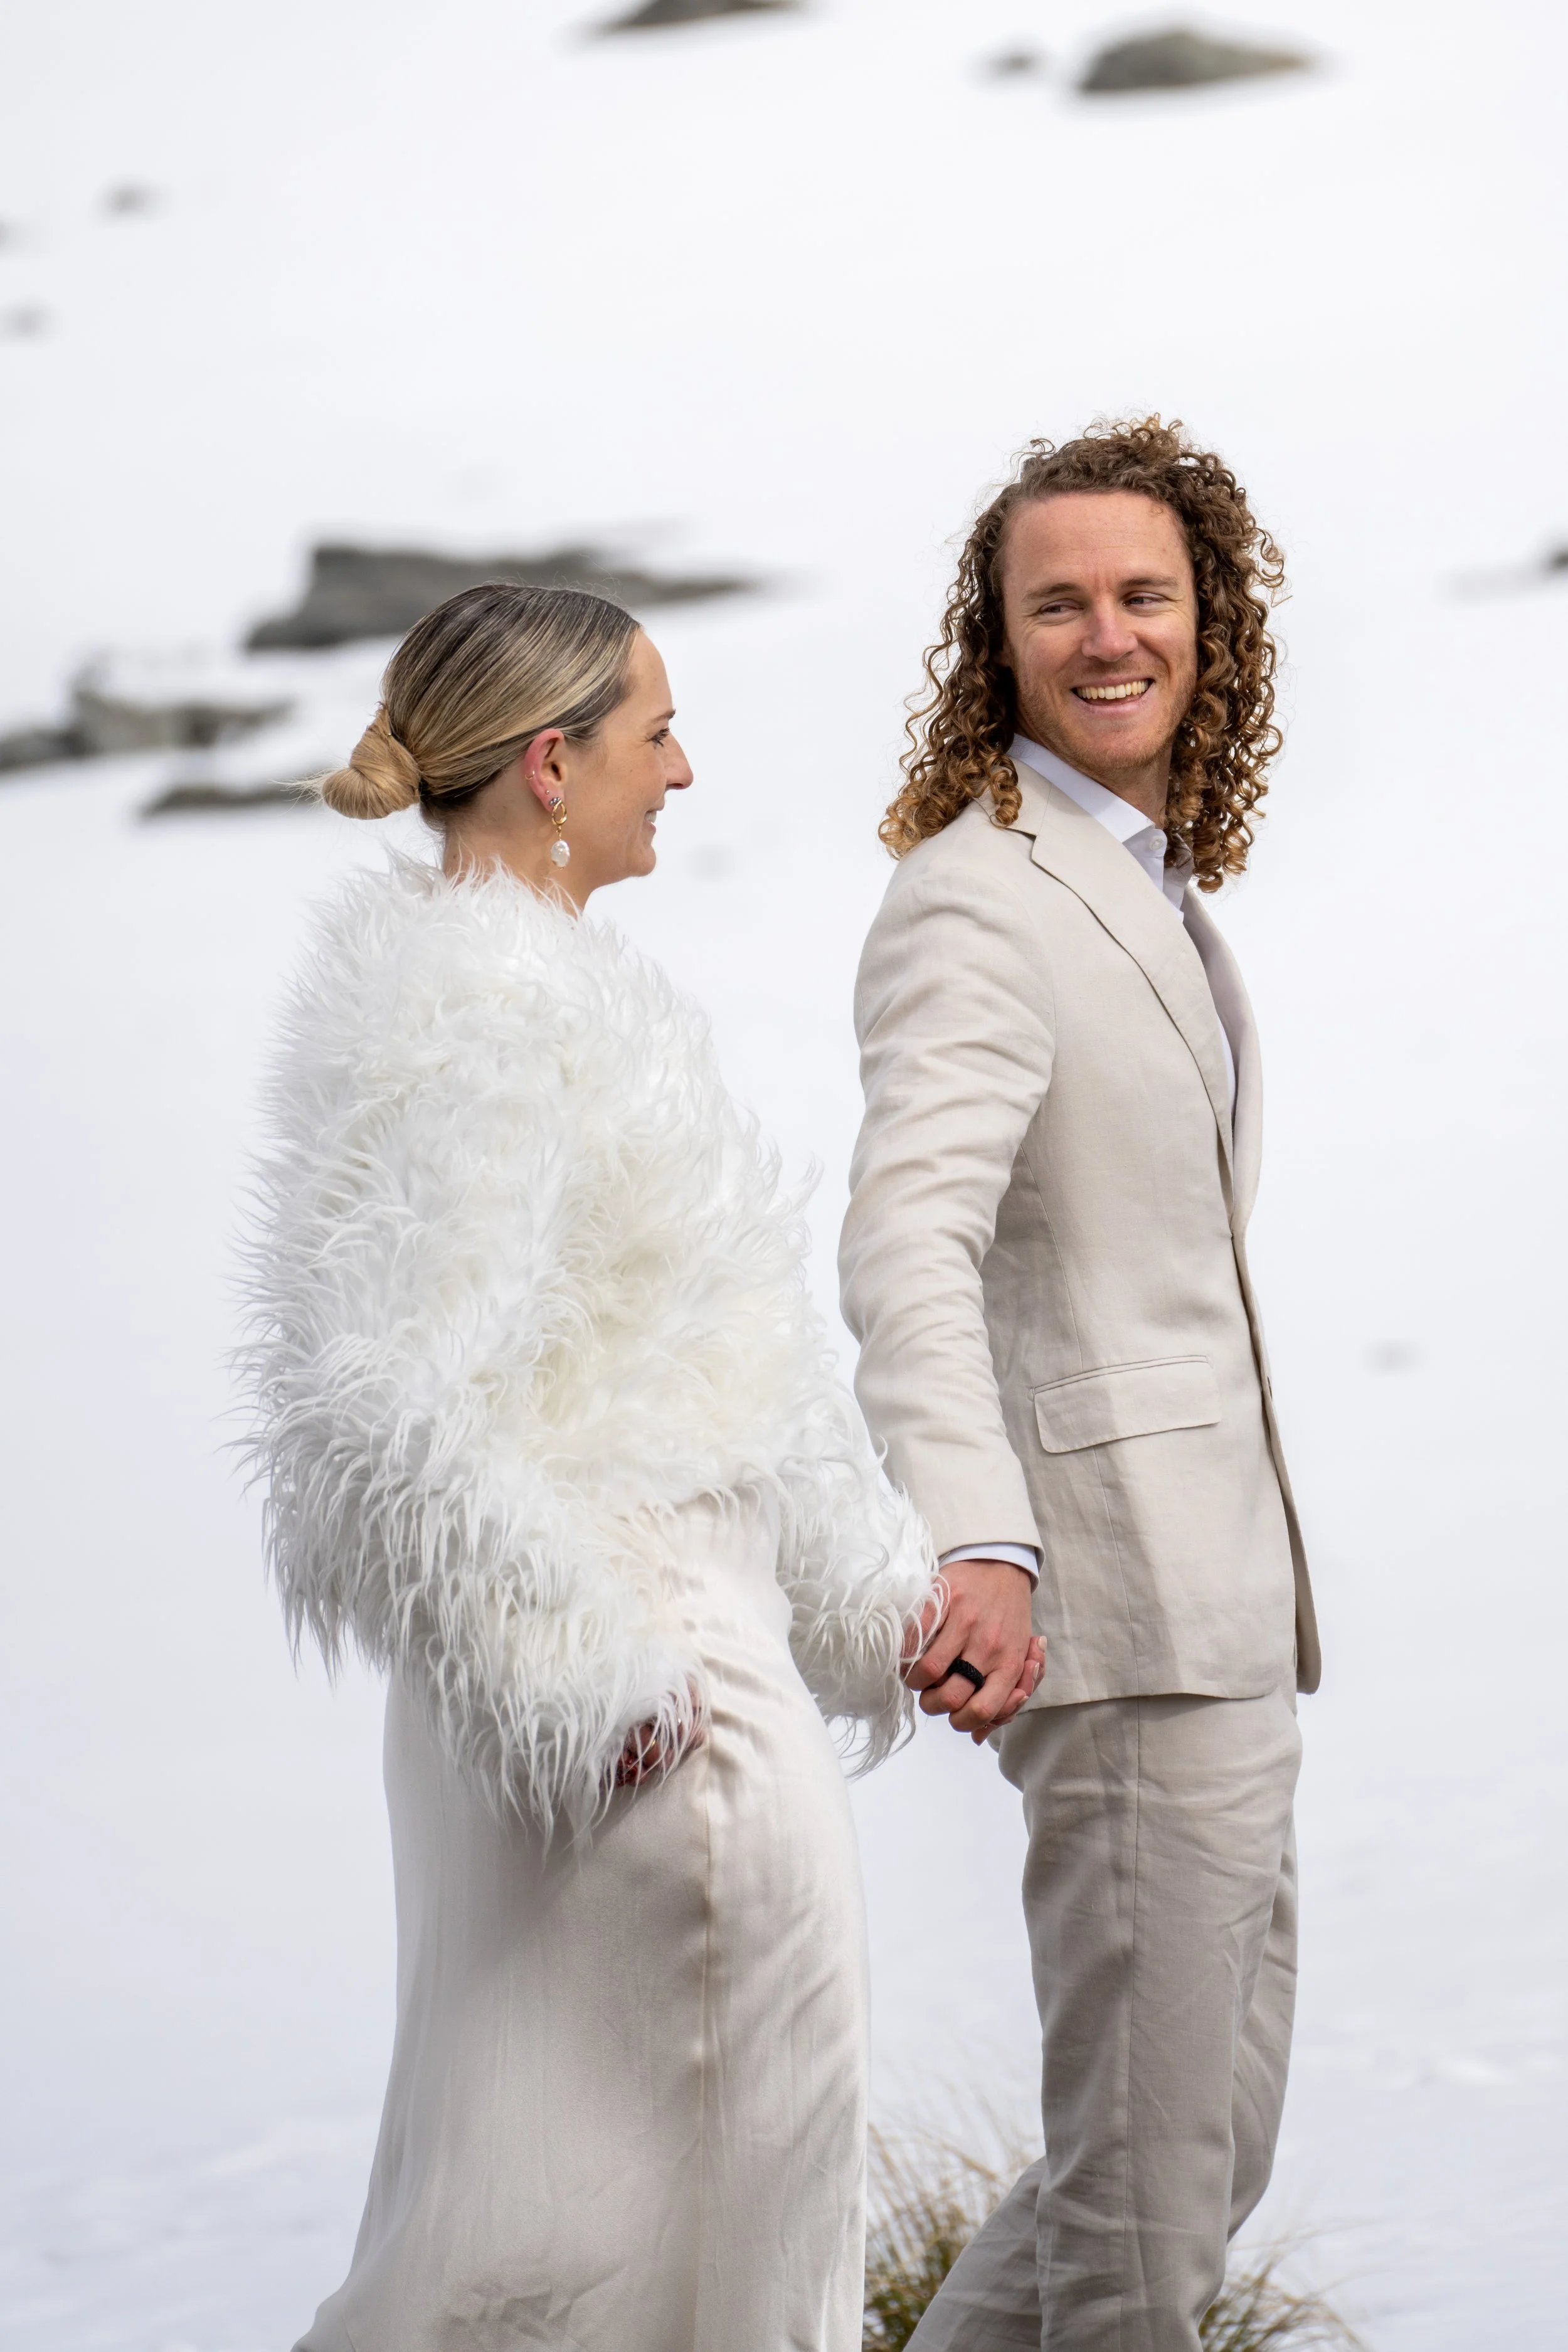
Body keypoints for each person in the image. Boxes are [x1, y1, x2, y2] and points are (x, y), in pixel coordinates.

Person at [240, 582, 948, 2352]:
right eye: (655, 733)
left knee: (531, 2222)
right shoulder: (488, 1012)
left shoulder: (513, 986)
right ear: (550, 765)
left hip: (591, 1696)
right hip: (635, 1708)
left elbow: (705, 1361)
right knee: (670, 2246)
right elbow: (377, 1409)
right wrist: (588, 1671)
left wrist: (887, 1603)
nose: (685, 770)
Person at [839, 418, 1320, 2350]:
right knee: (1142, 2218)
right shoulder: (976, 895)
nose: (1106, 633)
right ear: (999, 637)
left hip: (1225, 1602)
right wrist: (983, 1535)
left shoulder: (1140, 878)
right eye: (1059, 601)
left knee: (1190, 2159)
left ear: (1210, 620)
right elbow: (903, 1244)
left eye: (1142, 593)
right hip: (1112, 1612)